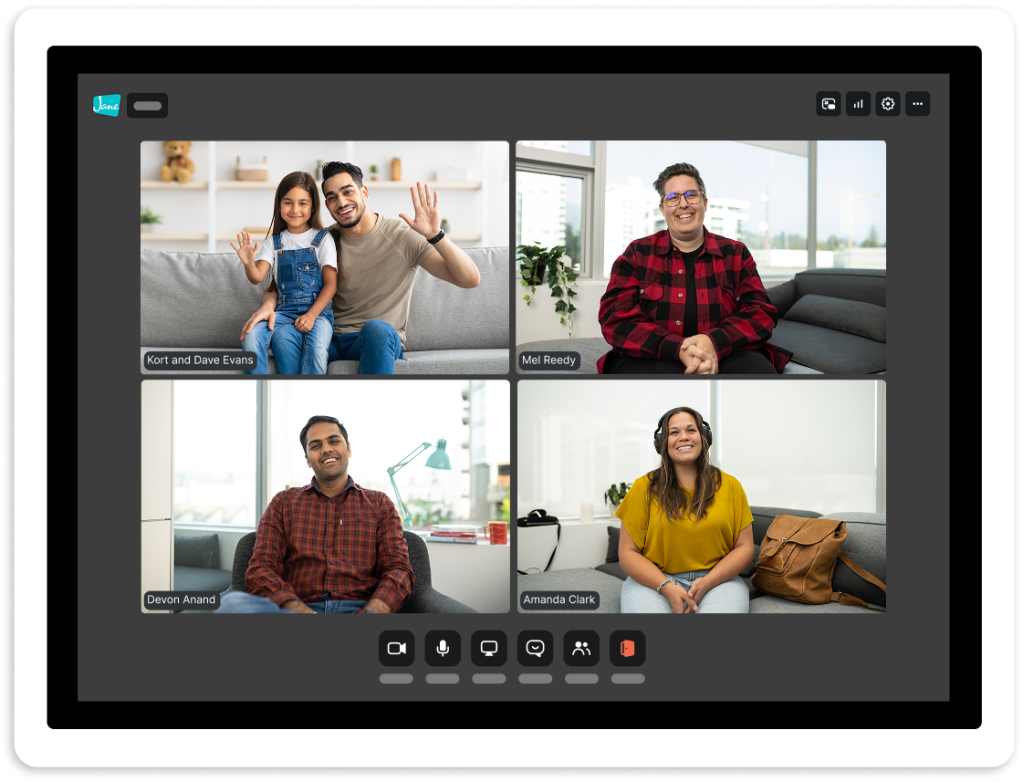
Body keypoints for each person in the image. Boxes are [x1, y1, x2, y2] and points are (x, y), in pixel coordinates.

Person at [240, 161, 481, 375]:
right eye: (332, 197)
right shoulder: (325, 240)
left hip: (374, 340)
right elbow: (279, 284)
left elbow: (469, 279)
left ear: (364, 192)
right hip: (328, 338)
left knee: (377, 329)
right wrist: (268, 306)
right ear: (326, 205)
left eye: (348, 191)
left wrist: (434, 235)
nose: (342, 202)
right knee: (285, 336)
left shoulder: (403, 237)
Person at [597, 162, 792, 375]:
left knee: (759, 371)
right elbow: (615, 318)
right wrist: (678, 349)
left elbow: (760, 313)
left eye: (692, 195)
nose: (683, 204)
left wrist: (713, 341)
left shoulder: (736, 253)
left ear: (705, 203)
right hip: (656, 354)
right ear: (662, 208)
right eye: (673, 198)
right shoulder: (637, 252)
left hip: (726, 352)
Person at [216, 415, 413, 614]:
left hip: (360, 610)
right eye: (315, 445)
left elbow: (398, 568)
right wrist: (298, 610)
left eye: (334, 441)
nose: (327, 449)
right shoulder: (283, 503)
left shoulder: (379, 504)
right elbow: (260, 569)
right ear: (308, 460)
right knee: (231, 604)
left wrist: (372, 613)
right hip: (295, 611)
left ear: (349, 449)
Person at [616, 407, 754, 613]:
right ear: (662, 443)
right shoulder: (642, 487)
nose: (683, 437)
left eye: (691, 430)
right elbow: (627, 552)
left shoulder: (731, 486)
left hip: (718, 580)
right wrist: (666, 587)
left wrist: (708, 581)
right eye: (674, 432)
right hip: (656, 580)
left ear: (704, 437)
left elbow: (744, 547)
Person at [232, 171, 337, 375]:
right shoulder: (274, 242)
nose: (295, 209)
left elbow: (331, 284)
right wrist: (248, 263)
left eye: (302, 203)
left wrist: (311, 315)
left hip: (319, 313)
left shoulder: (323, 239)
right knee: (251, 334)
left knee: (316, 350)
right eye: (288, 202)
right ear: (279, 205)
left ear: (313, 206)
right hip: (283, 311)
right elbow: (257, 277)